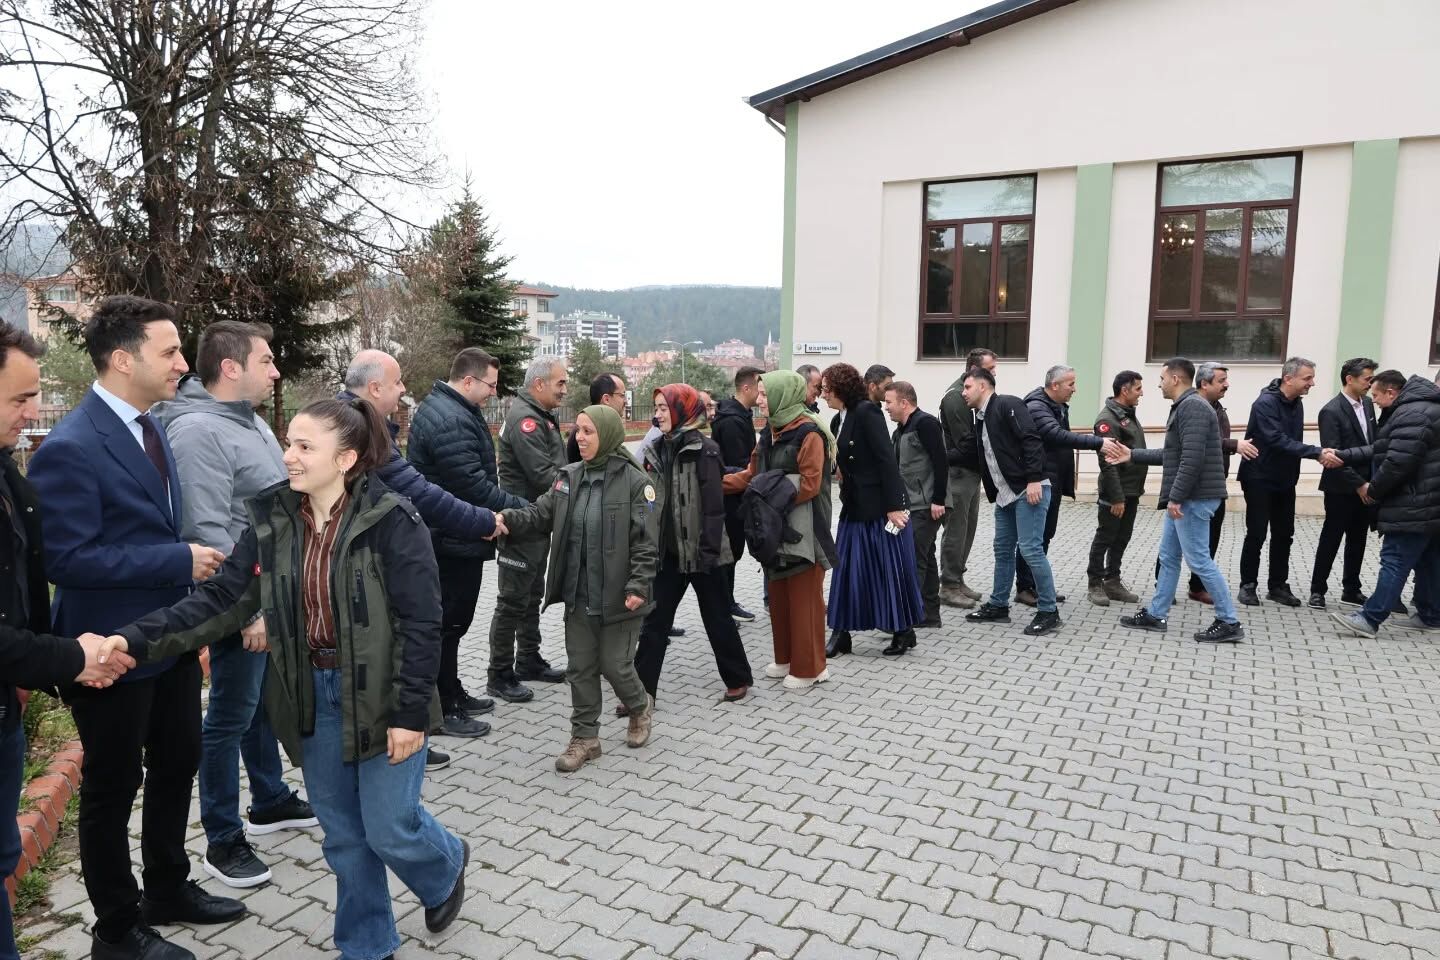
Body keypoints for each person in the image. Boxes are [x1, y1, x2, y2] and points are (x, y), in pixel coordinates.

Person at [98, 397, 472, 960]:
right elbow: (223, 601)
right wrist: (135, 637)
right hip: (312, 696)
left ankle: (445, 865)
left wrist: (411, 713)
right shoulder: (271, 519)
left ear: (345, 459)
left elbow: (422, 624)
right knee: (345, 838)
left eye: (303, 446)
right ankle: (368, 945)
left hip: (381, 695)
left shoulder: (394, 520)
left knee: (390, 825)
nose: (287, 456)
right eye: (287, 442)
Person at [27, 296, 244, 960]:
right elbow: (68, 558)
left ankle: (168, 890)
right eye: (170, 351)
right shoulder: (70, 446)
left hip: (169, 640)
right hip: (109, 650)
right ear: (124, 360)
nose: (184, 362)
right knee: (113, 788)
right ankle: (117, 930)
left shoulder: (152, 425)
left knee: (179, 761)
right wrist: (176, 558)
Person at [151, 321, 317, 890]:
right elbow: (207, 529)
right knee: (228, 715)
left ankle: (268, 799)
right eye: (266, 361)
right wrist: (249, 611)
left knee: (259, 705)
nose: (275, 372)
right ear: (230, 367)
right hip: (237, 600)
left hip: (266, 591)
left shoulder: (246, 423)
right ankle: (221, 838)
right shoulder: (199, 431)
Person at [0, 321, 138, 960]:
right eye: (19, 400)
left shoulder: (6, 469)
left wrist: (63, 664)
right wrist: (74, 657)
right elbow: (68, 563)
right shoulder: (69, 447)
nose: (32, 416)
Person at [342, 349, 498, 767]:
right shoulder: (357, 427)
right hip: (369, 563)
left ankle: (412, 727)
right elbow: (420, 491)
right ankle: (400, 738)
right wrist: (485, 520)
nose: (403, 389)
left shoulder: (361, 421)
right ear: (375, 388)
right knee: (399, 646)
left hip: (383, 554)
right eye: (396, 383)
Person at [494, 405, 658, 772]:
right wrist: (506, 519)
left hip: (621, 595)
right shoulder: (567, 478)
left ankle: (639, 705)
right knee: (581, 667)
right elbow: (539, 514)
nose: (579, 438)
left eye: (588, 431)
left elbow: (646, 542)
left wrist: (638, 585)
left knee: (615, 665)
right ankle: (585, 738)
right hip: (579, 594)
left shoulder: (637, 484)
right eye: (577, 430)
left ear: (608, 435)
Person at [407, 348, 528, 740]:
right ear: (469, 380)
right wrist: (522, 508)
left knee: (455, 625)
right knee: (448, 624)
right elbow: (471, 485)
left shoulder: (454, 409)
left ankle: (452, 691)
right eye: (490, 386)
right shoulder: (449, 419)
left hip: (457, 535)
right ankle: (443, 706)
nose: (493, 393)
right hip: (452, 538)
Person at [1110, 357, 1246, 643]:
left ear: (1174, 379)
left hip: (1194, 499)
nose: (1157, 384)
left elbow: (1192, 459)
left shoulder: (1193, 407)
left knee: (1199, 561)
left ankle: (1229, 621)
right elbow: (1173, 455)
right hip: (1188, 497)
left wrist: (1176, 497)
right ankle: (1156, 614)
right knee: (1169, 557)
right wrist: (1131, 455)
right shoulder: (1186, 407)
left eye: (1161, 379)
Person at [634, 384, 754, 704]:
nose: (657, 414)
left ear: (682, 410)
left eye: (663, 408)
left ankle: (738, 678)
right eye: (656, 407)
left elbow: (714, 509)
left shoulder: (706, 449)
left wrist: (709, 553)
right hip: (669, 553)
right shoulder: (655, 449)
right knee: (654, 623)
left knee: (717, 618)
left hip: (704, 552)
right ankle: (640, 694)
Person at [722, 371, 836, 688]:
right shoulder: (769, 433)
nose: (758, 400)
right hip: (774, 529)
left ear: (782, 395)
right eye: (758, 394)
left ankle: (810, 668)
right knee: (779, 596)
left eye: (764, 395)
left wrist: (766, 496)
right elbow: (751, 474)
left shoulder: (810, 433)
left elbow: (811, 485)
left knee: (804, 600)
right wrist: (712, 484)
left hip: (805, 531)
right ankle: (785, 658)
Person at [822, 362, 925, 656]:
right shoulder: (836, 420)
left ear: (841, 388)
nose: (823, 394)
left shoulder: (867, 412)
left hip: (880, 509)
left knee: (887, 570)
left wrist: (895, 506)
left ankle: (903, 632)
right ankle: (841, 632)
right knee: (846, 572)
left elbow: (885, 460)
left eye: (828, 389)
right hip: (853, 507)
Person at [1330, 370, 1440, 636]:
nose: (1374, 401)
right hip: (1429, 502)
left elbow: (1397, 462)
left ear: (1391, 393)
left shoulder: (1412, 413)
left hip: (1414, 502)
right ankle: (1430, 615)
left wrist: (1374, 490)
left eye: (1377, 396)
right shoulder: (1422, 409)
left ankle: (1370, 618)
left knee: (1395, 560)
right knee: (1429, 560)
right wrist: (1343, 455)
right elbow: (1383, 448)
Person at [960, 367, 1062, 637]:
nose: (963, 393)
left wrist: (1033, 479)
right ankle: (998, 605)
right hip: (1006, 496)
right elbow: (969, 451)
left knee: (1031, 550)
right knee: (1002, 550)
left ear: (983, 386)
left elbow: (1031, 439)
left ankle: (1049, 611)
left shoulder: (1008, 404)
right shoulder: (980, 418)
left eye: (967, 387)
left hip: (1029, 490)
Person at [490, 358, 570, 701]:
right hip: (522, 522)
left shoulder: (540, 416)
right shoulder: (526, 419)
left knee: (531, 596)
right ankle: (499, 673)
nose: (564, 390)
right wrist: (575, 485)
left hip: (537, 521)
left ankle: (528, 660)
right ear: (539, 384)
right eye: (560, 383)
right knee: (511, 601)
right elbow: (542, 474)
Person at [1015, 365, 1125, 606]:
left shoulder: (1056, 406)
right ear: (1055, 385)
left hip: (1052, 481)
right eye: (1070, 384)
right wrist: (1098, 443)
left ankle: (1036, 585)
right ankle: (1025, 587)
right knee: (1034, 537)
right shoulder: (1037, 407)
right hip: (1040, 482)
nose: (1075, 389)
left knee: (1045, 535)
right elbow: (1056, 435)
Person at [1236, 356, 1341, 607]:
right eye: (1307, 378)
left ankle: (1278, 586)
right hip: (1259, 477)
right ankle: (1248, 585)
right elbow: (1276, 439)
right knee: (1257, 532)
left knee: (1285, 534)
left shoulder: (1296, 403)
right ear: (1288, 378)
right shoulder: (1265, 403)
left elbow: (1291, 442)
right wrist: (1316, 452)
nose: (1312, 383)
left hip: (1285, 479)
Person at [1182, 364, 1259, 604]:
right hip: (1195, 487)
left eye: (1226, 380)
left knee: (1210, 539)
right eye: (1221, 380)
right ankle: (1162, 587)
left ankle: (1197, 587)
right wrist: (1233, 444)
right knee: (1176, 542)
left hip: (1215, 484)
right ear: (1204, 383)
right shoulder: (1193, 407)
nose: (1227, 384)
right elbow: (1199, 442)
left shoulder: (1217, 407)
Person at [1309, 357, 1378, 609]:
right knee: (1331, 537)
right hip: (1341, 487)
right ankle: (1318, 589)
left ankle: (1351, 589)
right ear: (1349, 379)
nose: (1370, 384)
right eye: (1366, 379)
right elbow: (1333, 455)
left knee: (1358, 538)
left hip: (1366, 485)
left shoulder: (1369, 405)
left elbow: (1374, 443)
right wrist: (1359, 484)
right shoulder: (1331, 410)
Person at [884, 381, 948, 628]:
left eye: (889, 402)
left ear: (904, 402)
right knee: (926, 557)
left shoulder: (926, 424)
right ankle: (930, 615)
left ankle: (904, 620)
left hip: (928, 505)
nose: (886, 407)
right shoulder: (899, 430)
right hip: (911, 505)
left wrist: (939, 499)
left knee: (912, 559)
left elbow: (941, 462)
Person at [938, 347, 997, 608]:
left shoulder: (978, 395)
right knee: (956, 530)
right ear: (973, 370)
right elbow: (968, 442)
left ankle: (958, 578)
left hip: (972, 473)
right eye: (991, 368)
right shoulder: (955, 398)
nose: (995, 373)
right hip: (958, 474)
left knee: (968, 529)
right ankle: (948, 585)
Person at [1086, 371, 1148, 607]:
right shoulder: (1107, 420)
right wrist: (1117, 498)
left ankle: (1112, 580)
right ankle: (1095, 583)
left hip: (1132, 490)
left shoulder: (1127, 414)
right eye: (1138, 388)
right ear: (1125, 390)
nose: (1141, 392)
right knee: (1105, 537)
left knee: (1122, 537)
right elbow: (1108, 462)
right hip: (1116, 493)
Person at [711, 366, 763, 622]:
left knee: (733, 552)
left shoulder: (739, 414)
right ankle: (724, 606)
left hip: (736, 495)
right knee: (729, 553)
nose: (761, 394)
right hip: (731, 497)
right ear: (746, 387)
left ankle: (726, 603)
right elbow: (736, 464)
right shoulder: (732, 420)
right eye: (759, 388)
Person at [566, 373, 627, 463]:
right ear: (606, 399)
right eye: (622, 395)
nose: (625, 401)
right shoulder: (589, 430)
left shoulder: (606, 426)